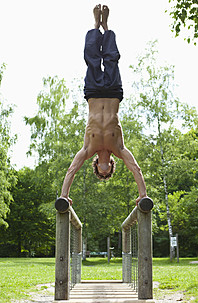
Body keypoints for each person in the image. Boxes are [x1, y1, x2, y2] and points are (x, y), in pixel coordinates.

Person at [61, 4, 147, 205]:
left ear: (97, 164)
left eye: (102, 169)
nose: (105, 167)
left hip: (92, 93)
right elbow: (136, 168)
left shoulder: (88, 148)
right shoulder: (119, 148)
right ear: (111, 163)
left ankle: (95, 25)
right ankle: (106, 27)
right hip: (113, 92)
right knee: (112, 60)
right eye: (107, 168)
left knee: (91, 59)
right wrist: (142, 194)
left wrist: (64, 195)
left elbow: (72, 169)